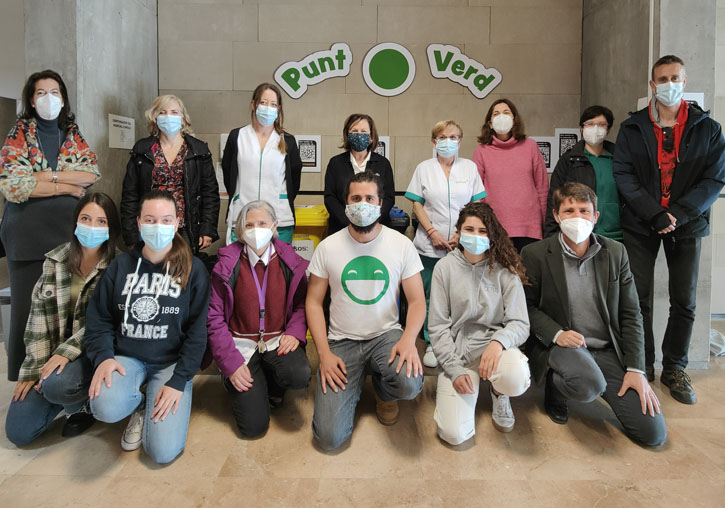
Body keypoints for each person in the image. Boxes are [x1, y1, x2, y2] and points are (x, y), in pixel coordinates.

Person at [613, 55, 725, 402]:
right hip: (641, 224)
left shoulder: (708, 128)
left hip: (687, 225)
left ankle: (675, 367)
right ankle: (642, 365)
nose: (669, 84)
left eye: (674, 77)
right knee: (638, 299)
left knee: (685, 301)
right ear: (652, 85)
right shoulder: (632, 128)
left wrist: (678, 213)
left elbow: (714, 178)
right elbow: (624, 175)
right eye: (662, 79)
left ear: (685, 81)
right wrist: (654, 213)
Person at [521, 183, 666, 447]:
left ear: (596, 216)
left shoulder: (616, 253)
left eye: (584, 211)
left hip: (607, 349)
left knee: (653, 433)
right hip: (564, 345)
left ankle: (593, 376)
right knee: (588, 385)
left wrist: (636, 369)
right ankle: (557, 386)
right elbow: (526, 308)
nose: (577, 217)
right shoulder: (535, 254)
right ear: (556, 215)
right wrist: (557, 334)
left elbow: (632, 313)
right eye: (569, 211)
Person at [84, 190, 210, 464]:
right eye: (150, 220)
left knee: (162, 452)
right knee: (103, 406)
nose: (158, 227)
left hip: (170, 365)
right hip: (126, 358)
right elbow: (99, 319)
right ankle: (139, 404)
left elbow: (198, 332)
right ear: (139, 224)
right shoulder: (120, 266)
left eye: (166, 220)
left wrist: (179, 381)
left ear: (177, 224)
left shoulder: (194, 269)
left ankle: (147, 407)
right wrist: (103, 358)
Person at [307, 171, 425, 451]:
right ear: (346, 205)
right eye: (356, 198)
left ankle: (385, 392)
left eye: (369, 198)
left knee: (408, 382)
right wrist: (323, 354)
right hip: (341, 342)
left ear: (381, 203)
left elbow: (418, 302)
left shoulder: (401, 245)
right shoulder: (327, 247)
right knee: (328, 439)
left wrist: (408, 341)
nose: (363, 204)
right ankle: (354, 385)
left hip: (387, 336)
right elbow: (313, 302)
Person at [0, 69, 100, 381]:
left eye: (54, 92)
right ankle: (26, 379)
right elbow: (13, 185)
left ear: (64, 98)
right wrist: (66, 186)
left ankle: (63, 376)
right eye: (41, 93)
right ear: (31, 99)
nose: (49, 99)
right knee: (27, 310)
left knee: (68, 309)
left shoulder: (73, 134)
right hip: (26, 235)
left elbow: (90, 174)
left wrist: (45, 178)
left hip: (66, 233)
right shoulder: (18, 136)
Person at [5, 193, 121, 445]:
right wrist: (34, 370)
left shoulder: (118, 266)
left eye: (101, 222)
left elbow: (107, 320)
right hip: (54, 356)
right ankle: (58, 394)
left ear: (111, 227)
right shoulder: (54, 261)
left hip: (91, 353)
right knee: (19, 432)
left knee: (58, 384)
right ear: (76, 222)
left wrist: (66, 352)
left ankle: (80, 404)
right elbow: (37, 320)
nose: (92, 226)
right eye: (86, 218)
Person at [205, 200, 311, 437]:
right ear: (240, 231)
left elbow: (303, 303)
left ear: (274, 226)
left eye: (262, 223)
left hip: (277, 339)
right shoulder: (226, 266)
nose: (255, 230)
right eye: (249, 225)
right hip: (240, 345)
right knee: (253, 428)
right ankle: (235, 381)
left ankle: (273, 387)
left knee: (299, 374)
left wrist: (295, 331)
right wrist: (230, 363)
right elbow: (214, 318)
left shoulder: (289, 261)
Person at [428, 202, 530, 445]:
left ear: (492, 234)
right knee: (454, 435)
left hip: (493, 351)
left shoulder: (505, 269)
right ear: (459, 233)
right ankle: (464, 387)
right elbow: (438, 326)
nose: (475, 236)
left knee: (515, 376)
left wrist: (498, 343)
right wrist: (453, 369)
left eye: (483, 231)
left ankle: (499, 392)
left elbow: (520, 323)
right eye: (469, 229)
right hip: (458, 354)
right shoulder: (445, 268)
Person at [405, 120, 486, 368]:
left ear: (460, 141)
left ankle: (459, 341)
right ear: (433, 141)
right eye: (442, 137)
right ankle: (433, 343)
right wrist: (432, 232)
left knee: (460, 295)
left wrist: (461, 234)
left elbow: (478, 205)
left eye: (453, 137)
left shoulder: (470, 168)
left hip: (463, 244)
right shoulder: (424, 168)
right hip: (429, 245)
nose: (447, 141)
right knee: (430, 296)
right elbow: (417, 203)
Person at [120, 94, 219, 254]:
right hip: (151, 226)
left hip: (186, 227)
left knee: (183, 272)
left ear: (182, 118)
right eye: (162, 112)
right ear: (155, 118)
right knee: (152, 271)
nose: (168, 117)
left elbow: (210, 193)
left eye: (174, 112)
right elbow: (129, 196)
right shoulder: (142, 150)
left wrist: (208, 228)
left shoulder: (198, 150)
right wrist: (131, 235)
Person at [222, 83, 302, 244]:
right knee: (241, 267)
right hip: (243, 217)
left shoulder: (287, 141)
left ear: (278, 108)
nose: (268, 108)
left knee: (277, 267)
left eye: (273, 104)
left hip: (280, 219)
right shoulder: (237, 136)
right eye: (263, 102)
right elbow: (228, 172)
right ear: (253, 104)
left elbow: (294, 178)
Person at [472, 98, 548, 252]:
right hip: (494, 226)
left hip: (529, 227)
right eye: (496, 113)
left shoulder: (530, 146)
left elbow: (542, 187)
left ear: (514, 119)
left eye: (506, 113)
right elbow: (476, 191)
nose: (501, 116)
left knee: (527, 275)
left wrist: (545, 223)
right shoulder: (481, 150)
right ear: (490, 123)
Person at [545, 105, 622, 240]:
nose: (595, 128)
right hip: (578, 235)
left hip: (616, 235)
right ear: (581, 128)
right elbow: (554, 198)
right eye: (590, 124)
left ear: (608, 129)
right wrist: (551, 236)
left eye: (601, 124)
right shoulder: (569, 160)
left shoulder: (620, 159)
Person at [324, 113, 395, 235]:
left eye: (363, 131)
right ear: (347, 135)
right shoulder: (335, 163)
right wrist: (349, 222)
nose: (359, 135)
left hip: (376, 229)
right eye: (354, 131)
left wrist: (372, 221)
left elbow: (388, 197)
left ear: (371, 136)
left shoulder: (383, 164)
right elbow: (330, 198)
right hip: (342, 228)